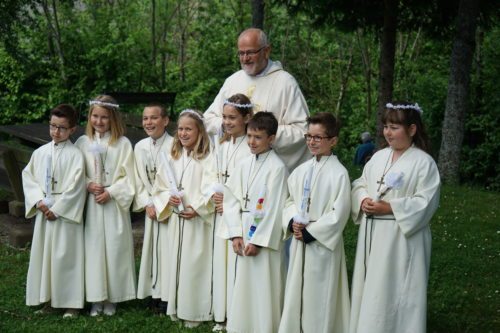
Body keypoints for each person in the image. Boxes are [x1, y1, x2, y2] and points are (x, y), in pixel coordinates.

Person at [349, 102, 441, 333]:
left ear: (412, 130)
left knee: (396, 289)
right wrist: (362, 200)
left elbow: (426, 201)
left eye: (394, 127)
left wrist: (390, 207)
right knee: (371, 289)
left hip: (401, 239)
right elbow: (360, 183)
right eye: (386, 127)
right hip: (372, 235)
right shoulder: (378, 157)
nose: (388, 132)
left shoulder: (423, 163)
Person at [279, 112, 351, 333]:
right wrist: (293, 222)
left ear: (333, 140)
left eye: (318, 137)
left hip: (321, 245)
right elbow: (289, 200)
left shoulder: (339, 174)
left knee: (319, 293)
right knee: (297, 288)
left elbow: (339, 213)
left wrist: (312, 232)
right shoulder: (301, 170)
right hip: (300, 241)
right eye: (309, 136)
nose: (312, 141)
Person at [204, 28, 310, 172]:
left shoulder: (285, 83)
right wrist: (230, 125)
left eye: (250, 52)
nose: (245, 58)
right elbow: (208, 119)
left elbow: (302, 130)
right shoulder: (232, 81)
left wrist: (263, 134)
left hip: (268, 170)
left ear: (266, 51)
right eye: (241, 53)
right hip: (233, 167)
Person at [222, 112, 288, 333]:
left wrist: (258, 241)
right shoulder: (244, 163)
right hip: (243, 227)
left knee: (264, 285)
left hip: (263, 238)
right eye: (249, 135)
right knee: (243, 285)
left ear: (271, 138)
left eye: (258, 137)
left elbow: (275, 208)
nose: (251, 141)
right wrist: (235, 233)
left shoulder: (277, 168)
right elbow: (231, 199)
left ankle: (265, 327)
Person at [22, 104, 86, 318]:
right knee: (45, 256)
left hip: (64, 215)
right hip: (44, 212)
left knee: (66, 258)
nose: (56, 132)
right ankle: (48, 300)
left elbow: (77, 186)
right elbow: (28, 177)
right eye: (52, 126)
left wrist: (57, 209)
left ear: (72, 130)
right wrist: (39, 202)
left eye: (61, 128)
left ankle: (71, 304)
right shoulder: (40, 153)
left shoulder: (76, 155)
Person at [75, 95, 136, 316]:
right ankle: (95, 297)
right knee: (93, 249)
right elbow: (74, 174)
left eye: (104, 117)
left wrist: (111, 191)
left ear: (113, 119)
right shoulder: (83, 143)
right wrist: (88, 184)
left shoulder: (122, 144)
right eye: (95, 116)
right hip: (91, 204)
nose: (99, 121)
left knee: (114, 248)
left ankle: (112, 297)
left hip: (113, 204)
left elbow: (130, 177)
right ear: (89, 116)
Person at [163, 109, 217, 328]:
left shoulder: (208, 158)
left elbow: (213, 187)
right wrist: (169, 198)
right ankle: (178, 307)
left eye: (188, 129)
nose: (183, 133)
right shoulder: (174, 156)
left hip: (198, 221)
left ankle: (196, 310)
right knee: (179, 264)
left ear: (199, 131)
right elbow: (161, 185)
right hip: (178, 220)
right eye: (180, 129)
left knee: (196, 265)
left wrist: (198, 207)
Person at [211, 94, 253, 330]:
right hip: (220, 213)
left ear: (246, 118)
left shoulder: (250, 147)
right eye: (224, 117)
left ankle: (237, 316)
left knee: (237, 267)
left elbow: (245, 186)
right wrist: (215, 196)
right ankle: (222, 313)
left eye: (232, 117)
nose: (226, 122)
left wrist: (226, 202)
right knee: (223, 266)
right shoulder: (223, 145)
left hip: (238, 215)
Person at [134, 103, 174, 314]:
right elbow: (137, 179)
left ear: (165, 120)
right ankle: (153, 293)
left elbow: (176, 180)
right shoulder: (140, 147)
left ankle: (167, 296)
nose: (148, 122)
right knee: (152, 251)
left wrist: (161, 205)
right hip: (151, 207)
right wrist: (148, 203)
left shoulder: (175, 145)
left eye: (154, 118)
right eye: (145, 118)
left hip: (168, 210)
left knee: (167, 252)